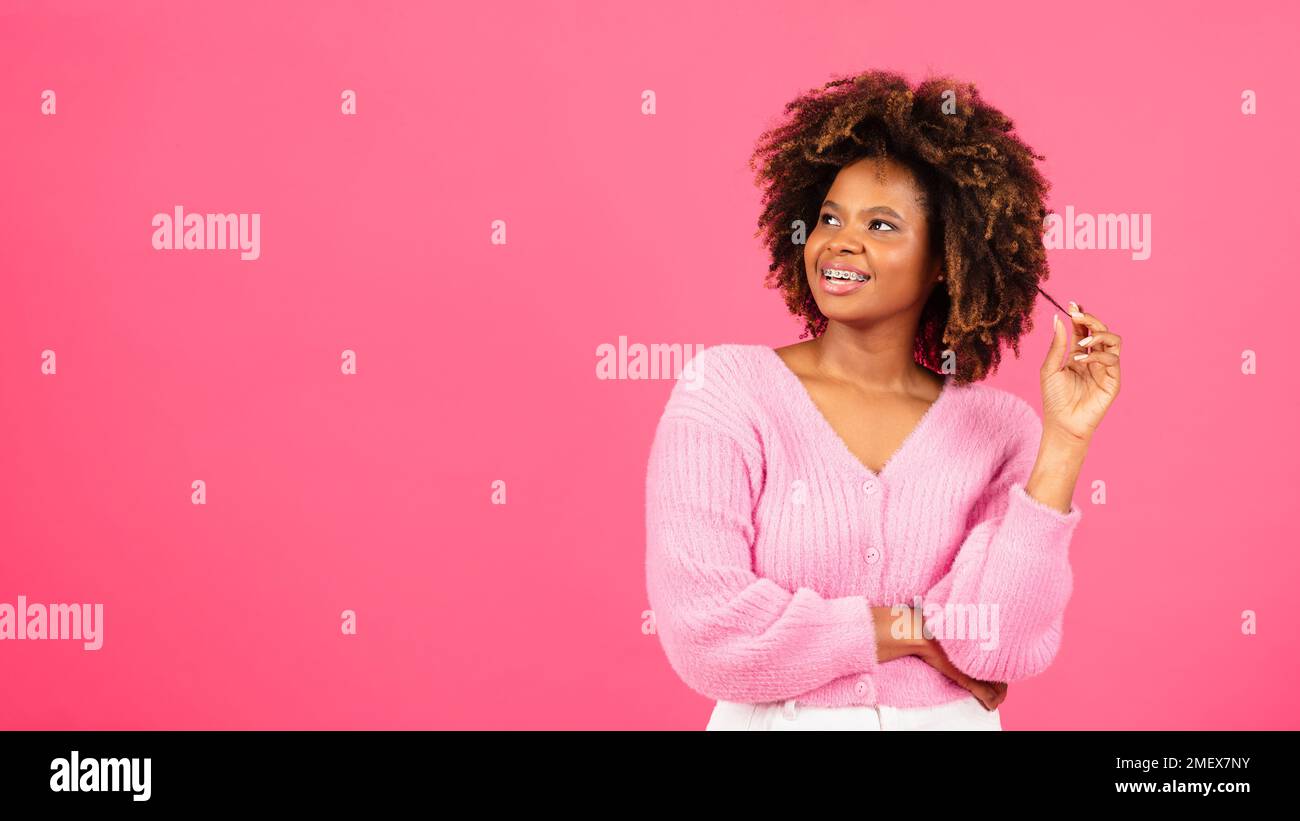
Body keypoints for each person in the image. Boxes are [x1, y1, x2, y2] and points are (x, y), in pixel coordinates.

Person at [644, 69, 1122, 730]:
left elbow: (1001, 644)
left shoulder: (1000, 429)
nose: (841, 240)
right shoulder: (726, 392)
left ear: (944, 260)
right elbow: (707, 632)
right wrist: (914, 629)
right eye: (831, 217)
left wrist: (1066, 442)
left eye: (881, 224)